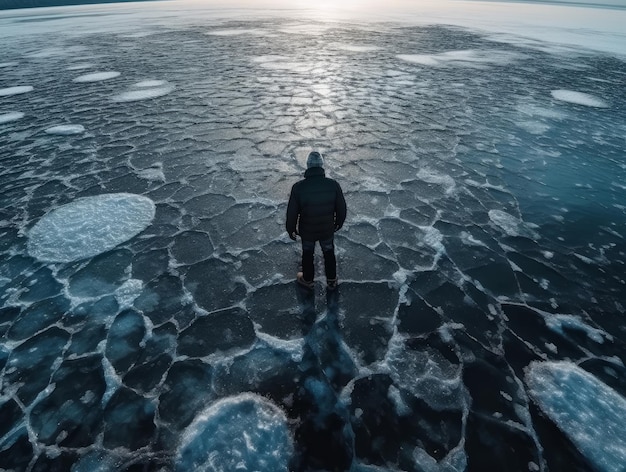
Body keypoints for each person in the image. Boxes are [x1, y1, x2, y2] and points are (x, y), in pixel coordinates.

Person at [286, 151, 347, 290]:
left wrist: (291, 228)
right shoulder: (333, 185)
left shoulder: (298, 187)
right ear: (321, 166)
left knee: (307, 253)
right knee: (329, 252)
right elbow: (341, 207)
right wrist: (339, 222)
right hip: (327, 229)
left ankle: (307, 280)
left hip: (307, 230)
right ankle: (331, 280)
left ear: (308, 166)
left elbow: (292, 212)